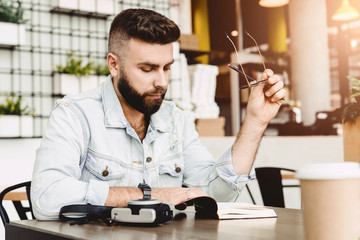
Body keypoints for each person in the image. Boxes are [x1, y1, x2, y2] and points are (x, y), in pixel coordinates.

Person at [31, 8, 285, 220]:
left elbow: (216, 194)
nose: (162, 82)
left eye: (167, 67)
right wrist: (152, 196)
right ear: (113, 64)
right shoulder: (74, 115)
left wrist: (255, 121)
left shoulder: (175, 119)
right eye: (148, 68)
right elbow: (47, 198)